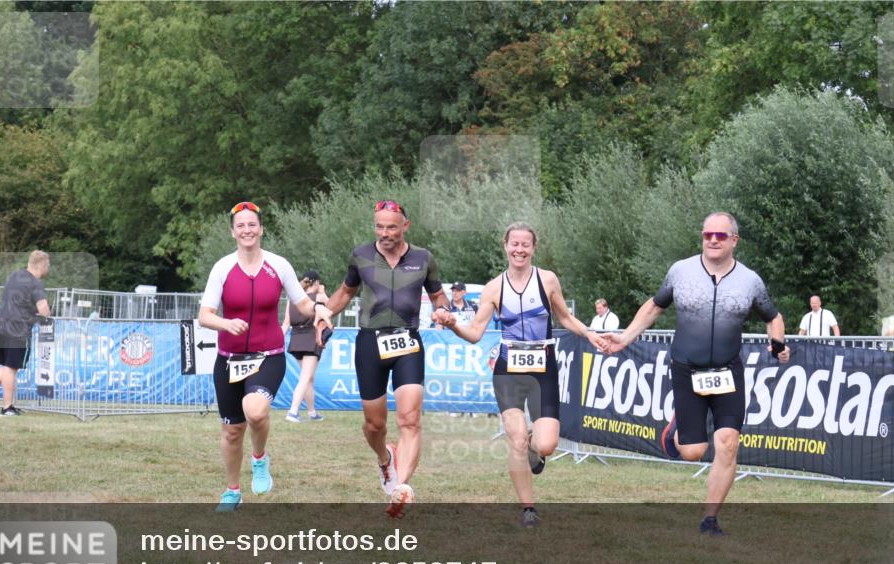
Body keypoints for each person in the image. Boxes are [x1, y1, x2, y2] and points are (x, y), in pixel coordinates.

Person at [599, 212, 790, 536]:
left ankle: (710, 519)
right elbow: (655, 306)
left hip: (728, 372)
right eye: (707, 234)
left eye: (720, 235)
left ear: (734, 240)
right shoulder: (681, 271)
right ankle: (677, 426)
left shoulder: (750, 281)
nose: (713, 240)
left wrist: (778, 345)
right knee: (693, 452)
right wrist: (625, 337)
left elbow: (774, 317)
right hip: (687, 370)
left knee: (728, 443)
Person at [432, 223, 606, 528]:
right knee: (516, 440)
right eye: (514, 244)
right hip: (508, 371)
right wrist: (453, 325)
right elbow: (475, 333)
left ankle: (534, 446)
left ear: (533, 248)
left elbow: (565, 317)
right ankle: (528, 508)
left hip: (543, 370)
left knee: (547, 444)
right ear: (505, 245)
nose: (519, 250)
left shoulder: (547, 280)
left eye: (525, 244)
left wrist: (589, 333)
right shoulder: (494, 287)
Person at [198, 201, 332, 511]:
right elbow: (205, 315)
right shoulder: (222, 268)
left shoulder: (278, 265)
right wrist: (226, 324)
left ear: (261, 229)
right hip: (228, 359)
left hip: (267, 355)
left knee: (256, 411)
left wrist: (318, 308)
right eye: (240, 225)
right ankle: (232, 491)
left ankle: (259, 458)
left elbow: (301, 304)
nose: (247, 230)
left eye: (252, 224)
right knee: (232, 431)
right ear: (233, 232)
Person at [321, 199, 448, 517]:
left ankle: (401, 488)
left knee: (410, 420)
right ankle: (384, 459)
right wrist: (323, 314)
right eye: (379, 226)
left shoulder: (423, 258)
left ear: (405, 225)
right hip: (370, 343)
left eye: (391, 227)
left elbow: (437, 295)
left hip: (408, 342)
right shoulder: (360, 255)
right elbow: (345, 292)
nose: (385, 233)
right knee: (374, 425)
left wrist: (443, 310)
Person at [0, 250, 50, 416]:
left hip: (1, 327)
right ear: (43, 266)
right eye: (47, 266)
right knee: (11, 369)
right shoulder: (35, 283)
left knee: (6, 367)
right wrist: (45, 316)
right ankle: (7, 408)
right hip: (18, 330)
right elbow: (43, 308)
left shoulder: (14, 276)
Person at [283, 269, 329, 423]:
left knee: (308, 377)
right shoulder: (318, 297)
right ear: (315, 283)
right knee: (305, 378)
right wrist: (323, 292)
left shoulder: (292, 299)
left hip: (296, 339)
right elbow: (330, 309)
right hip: (311, 338)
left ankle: (312, 412)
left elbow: (286, 323)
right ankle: (293, 411)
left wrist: (278, 340)